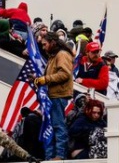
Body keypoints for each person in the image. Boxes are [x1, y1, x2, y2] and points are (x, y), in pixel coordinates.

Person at [33, 31, 73, 160]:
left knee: (58, 126)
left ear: (53, 43)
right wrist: (37, 79)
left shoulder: (62, 55)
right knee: (49, 127)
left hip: (58, 96)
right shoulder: (53, 56)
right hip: (51, 96)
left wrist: (45, 79)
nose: (43, 47)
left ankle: (60, 155)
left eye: (45, 44)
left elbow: (65, 74)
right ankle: (50, 156)